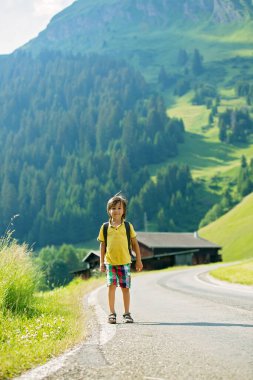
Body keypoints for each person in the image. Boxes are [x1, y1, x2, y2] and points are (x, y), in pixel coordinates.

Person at [98, 194, 143, 324]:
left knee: (125, 288)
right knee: (111, 286)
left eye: (119, 208)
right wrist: (101, 262)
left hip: (125, 262)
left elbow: (135, 244)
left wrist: (139, 260)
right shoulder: (105, 227)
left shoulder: (128, 226)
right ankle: (112, 313)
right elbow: (102, 245)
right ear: (109, 210)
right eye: (113, 208)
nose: (116, 211)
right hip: (110, 263)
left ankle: (127, 313)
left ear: (123, 211)